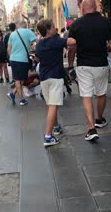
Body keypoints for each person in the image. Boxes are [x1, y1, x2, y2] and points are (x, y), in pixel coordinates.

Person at [68, 0, 111, 141]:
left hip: (83, 65)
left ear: (83, 8)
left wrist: (71, 65)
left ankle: (91, 129)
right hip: (101, 64)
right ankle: (100, 119)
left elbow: (72, 48)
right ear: (95, 7)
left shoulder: (76, 24)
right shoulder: (105, 22)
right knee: (101, 94)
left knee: (86, 96)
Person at [35, 19, 76, 147]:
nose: (55, 29)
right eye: (53, 26)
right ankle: (48, 136)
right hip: (56, 77)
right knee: (53, 105)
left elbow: (37, 57)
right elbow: (72, 41)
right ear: (48, 30)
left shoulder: (39, 44)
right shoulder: (56, 40)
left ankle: (56, 127)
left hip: (44, 78)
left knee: (51, 105)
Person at [7, 21, 37, 106]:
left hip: (13, 59)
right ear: (25, 25)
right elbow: (36, 41)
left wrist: (11, 58)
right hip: (23, 59)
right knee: (21, 79)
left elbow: (8, 49)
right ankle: (21, 99)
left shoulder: (12, 34)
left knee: (20, 79)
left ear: (18, 26)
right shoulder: (27, 31)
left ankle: (13, 94)